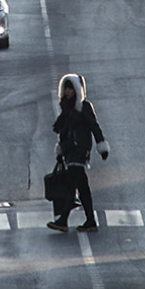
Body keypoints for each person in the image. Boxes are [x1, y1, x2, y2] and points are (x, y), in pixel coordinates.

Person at [48, 73, 109, 233]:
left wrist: (101, 146)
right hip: (70, 151)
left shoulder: (84, 107)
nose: (68, 91)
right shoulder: (66, 108)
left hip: (80, 151)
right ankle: (90, 221)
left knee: (71, 186)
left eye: (71, 88)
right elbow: (63, 133)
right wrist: (60, 152)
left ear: (78, 90)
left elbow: (94, 126)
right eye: (66, 88)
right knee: (82, 188)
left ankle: (63, 219)